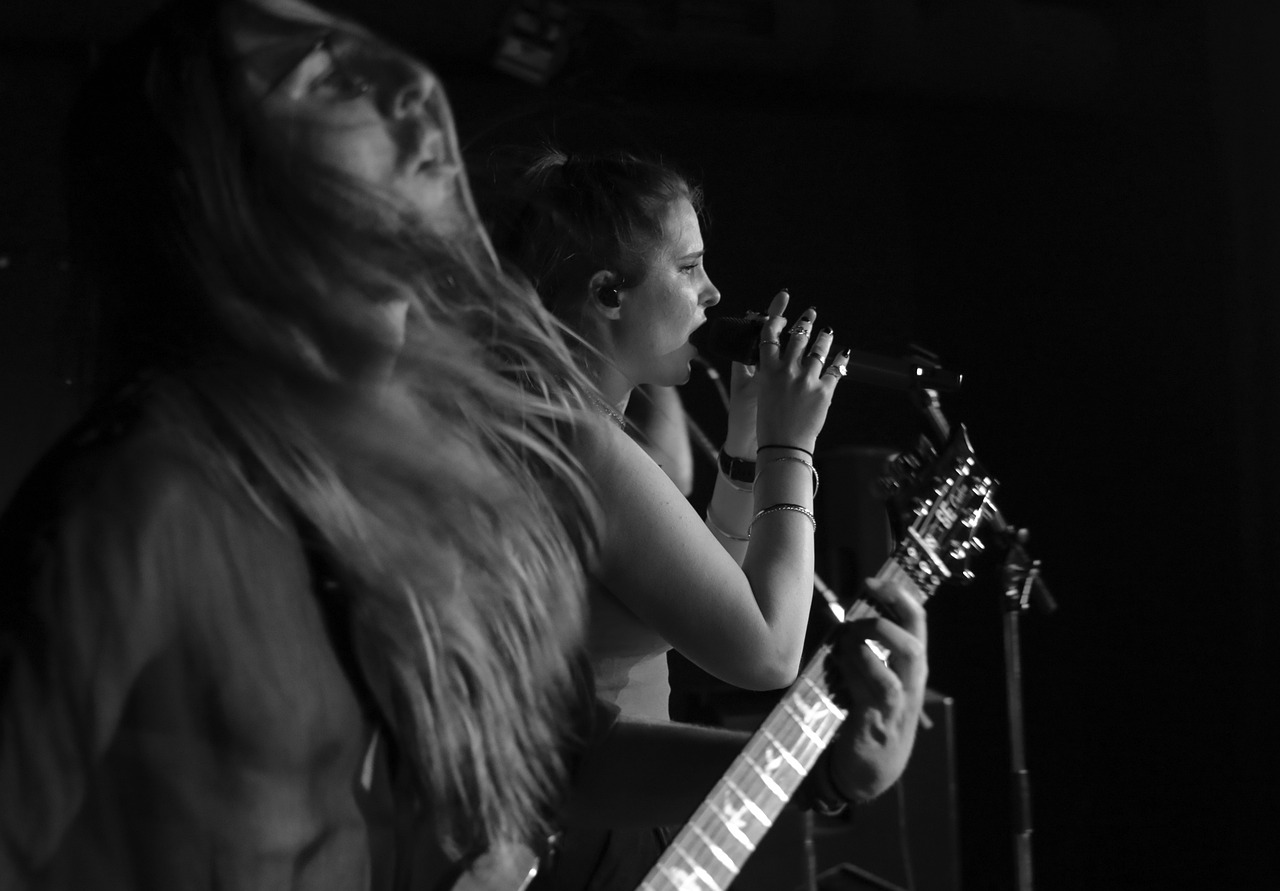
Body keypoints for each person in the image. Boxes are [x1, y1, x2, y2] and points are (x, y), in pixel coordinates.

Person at [0, 2, 928, 890]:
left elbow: (560, 767)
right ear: (223, 190)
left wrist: (818, 768)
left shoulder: (394, 475)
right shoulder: (142, 495)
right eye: (323, 78)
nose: (407, 86)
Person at [501, 149, 856, 722]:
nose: (712, 293)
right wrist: (790, 449)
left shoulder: (571, 427)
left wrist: (748, 443)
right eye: (689, 268)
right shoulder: (584, 446)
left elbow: (714, 611)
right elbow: (770, 654)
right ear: (609, 293)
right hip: (606, 781)